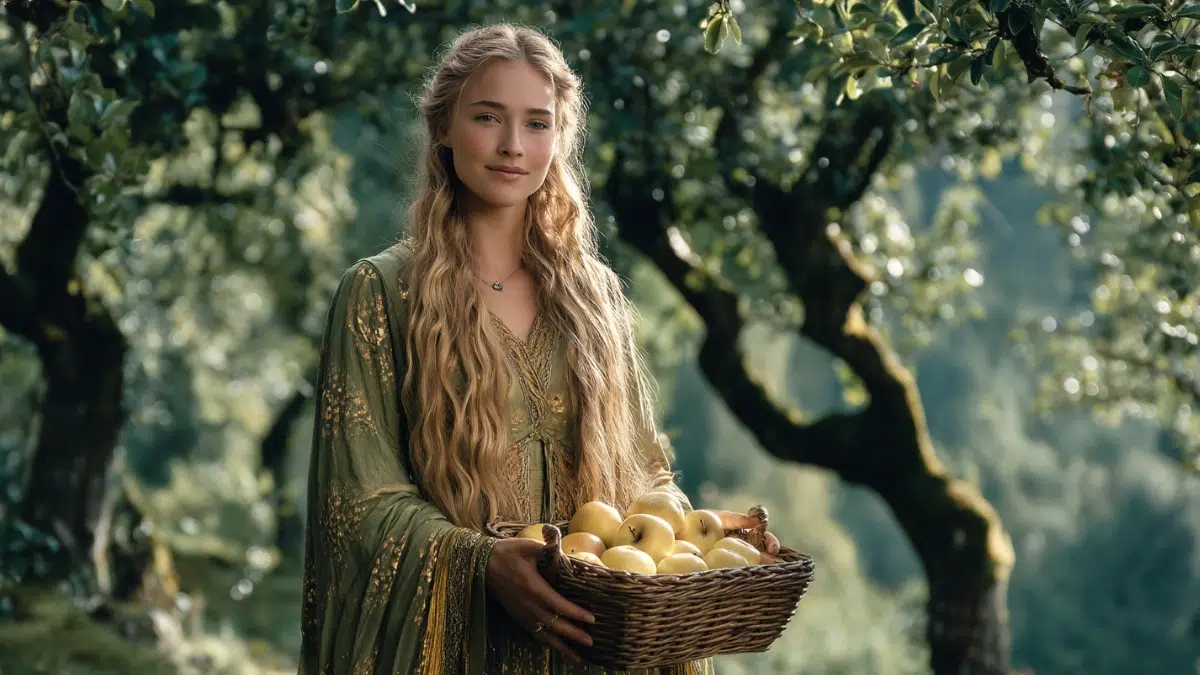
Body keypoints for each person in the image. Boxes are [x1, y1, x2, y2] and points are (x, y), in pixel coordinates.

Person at [298, 23, 778, 675]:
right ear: (443, 128)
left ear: (560, 137)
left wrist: (710, 536)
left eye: (536, 123)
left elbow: (642, 474)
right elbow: (358, 502)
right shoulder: (380, 295)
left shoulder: (595, 297)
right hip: (463, 654)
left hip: (591, 652)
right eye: (488, 117)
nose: (512, 146)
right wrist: (477, 562)